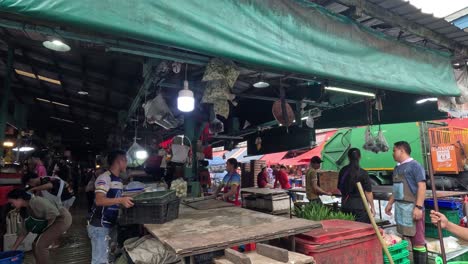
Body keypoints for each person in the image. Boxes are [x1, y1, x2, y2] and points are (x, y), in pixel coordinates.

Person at [88, 150, 135, 264]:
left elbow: (114, 198)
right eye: (126, 160)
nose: (127, 163)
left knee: (109, 258)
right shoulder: (104, 178)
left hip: (110, 225)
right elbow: (99, 200)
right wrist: (121, 200)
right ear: (120, 161)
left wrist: (124, 198)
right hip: (100, 225)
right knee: (100, 261)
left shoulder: (118, 180)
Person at [385, 141, 427, 264]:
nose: (393, 153)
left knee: (418, 241)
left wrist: (418, 207)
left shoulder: (415, 166)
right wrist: (390, 203)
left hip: (413, 209)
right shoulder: (397, 168)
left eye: (394, 150)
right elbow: (396, 188)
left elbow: (422, 186)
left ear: (402, 150)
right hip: (401, 208)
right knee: (404, 238)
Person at [8, 189, 72, 264]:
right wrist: (13, 249)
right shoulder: (23, 210)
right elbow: (23, 232)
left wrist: (44, 231)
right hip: (52, 220)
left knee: (41, 245)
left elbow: (54, 214)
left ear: (19, 199)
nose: (11, 205)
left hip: (61, 219)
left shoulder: (36, 202)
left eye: (12, 202)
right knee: (35, 245)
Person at [338, 148, 375, 223]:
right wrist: (372, 207)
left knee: (348, 229)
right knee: (361, 230)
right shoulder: (363, 173)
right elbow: (368, 192)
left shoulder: (343, 171)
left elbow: (339, 187)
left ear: (348, 157)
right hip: (360, 206)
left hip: (345, 205)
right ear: (360, 157)